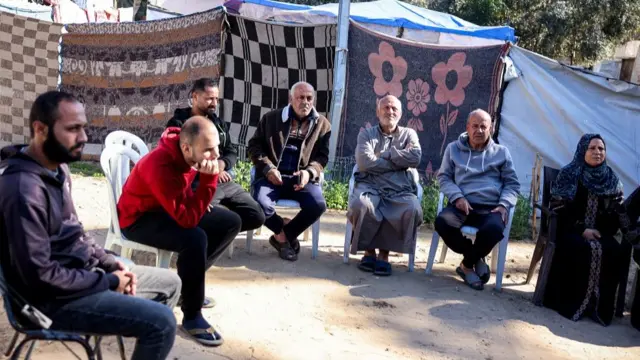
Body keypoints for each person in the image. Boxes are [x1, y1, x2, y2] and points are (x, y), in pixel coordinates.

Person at [0, 91, 181, 360]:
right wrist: (108, 281)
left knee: (171, 282)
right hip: (46, 305)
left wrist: (109, 263)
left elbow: (76, 234)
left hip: (79, 278)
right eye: (73, 129)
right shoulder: (22, 189)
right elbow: (40, 277)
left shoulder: (57, 169)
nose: (83, 138)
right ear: (40, 129)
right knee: (162, 323)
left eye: (83, 128)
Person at [118, 116, 240, 346]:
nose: (215, 156)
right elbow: (187, 220)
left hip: (164, 206)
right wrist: (208, 182)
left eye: (217, 148)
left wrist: (200, 196)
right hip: (138, 219)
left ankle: (187, 287)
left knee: (229, 221)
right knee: (195, 238)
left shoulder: (186, 150)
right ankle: (192, 316)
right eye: (208, 150)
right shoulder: (160, 165)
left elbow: (183, 195)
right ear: (186, 147)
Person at [543, 134, 627, 326]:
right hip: (571, 230)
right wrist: (582, 229)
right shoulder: (569, 174)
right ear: (583, 150)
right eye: (592, 148)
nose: (597, 152)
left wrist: (608, 224)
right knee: (580, 248)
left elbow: (618, 212)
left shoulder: (611, 179)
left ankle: (599, 309)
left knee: (613, 250)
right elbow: (559, 208)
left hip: (600, 232)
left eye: (601, 149)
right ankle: (570, 305)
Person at [435, 109, 520, 290]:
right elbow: (444, 178)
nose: (479, 131)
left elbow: (512, 184)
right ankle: (474, 256)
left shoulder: (502, 153)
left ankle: (466, 266)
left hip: (491, 208)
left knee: (494, 229)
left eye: (484, 127)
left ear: (491, 128)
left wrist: (504, 204)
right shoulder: (453, 149)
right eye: (475, 126)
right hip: (461, 204)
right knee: (443, 223)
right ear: (467, 127)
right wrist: (457, 197)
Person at [167, 78, 265, 234]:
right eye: (209, 98)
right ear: (195, 97)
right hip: (197, 183)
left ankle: (219, 234)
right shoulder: (179, 124)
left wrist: (222, 164)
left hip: (223, 181)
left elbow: (231, 151)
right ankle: (205, 243)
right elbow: (179, 159)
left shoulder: (218, 123)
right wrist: (210, 168)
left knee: (257, 215)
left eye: (216, 99)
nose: (214, 103)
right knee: (201, 216)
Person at [247, 81, 330, 262]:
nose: (305, 102)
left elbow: (322, 157)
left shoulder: (323, 125)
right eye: (300, 97)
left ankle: (283, 235)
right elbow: (254, 147)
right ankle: (284, 234)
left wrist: (309, 173)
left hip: (300, 179)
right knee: (259, 204)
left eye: (309, 98)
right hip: (271, 177)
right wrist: (268, 169)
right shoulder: (271, 118)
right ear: (291, 98)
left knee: (318, 205)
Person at [347, 95, 423, 276]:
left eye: (394, 108)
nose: (390, 111)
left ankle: (384, 254)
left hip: (400, 188)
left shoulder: (409, 134)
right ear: (378, 111)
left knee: (411, 207)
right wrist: (398, 161)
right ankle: (369, 252)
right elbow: (365, 163)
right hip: (370, 185)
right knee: (362, 205)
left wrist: (386, 155)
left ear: (400, 113)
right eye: (386, 108)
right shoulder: (366, 134)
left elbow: (415, 158)